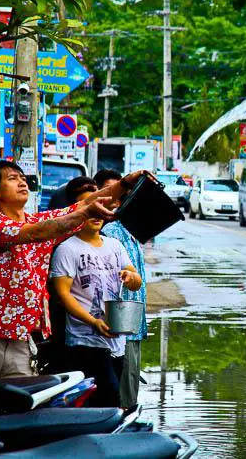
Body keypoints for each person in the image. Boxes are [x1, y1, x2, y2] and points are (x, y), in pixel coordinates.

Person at [0, 160, 143, 388]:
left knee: (19, 412)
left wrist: (127, 183)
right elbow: (37, 232)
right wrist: (83, 212)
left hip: (21, 336)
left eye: (22, 177)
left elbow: (87, 203)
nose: (22, 182)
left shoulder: (38, 220)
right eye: (12, 178)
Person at [49, 177, 142, 407]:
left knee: (109, 399)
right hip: (85, 341)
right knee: (107, 397)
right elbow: (62, 295)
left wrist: (131, 278)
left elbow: (135, 279)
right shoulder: (67, 249)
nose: (95, 214)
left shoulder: (114, 246)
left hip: (116, 339)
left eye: (99, 208)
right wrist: (93, 322)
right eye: (88, 208)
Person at [94, 169, 148, 409]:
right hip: (115, 325)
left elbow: (136, 280)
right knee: (121, 398)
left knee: (129, 389)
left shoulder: (129, 228)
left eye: (122, 194)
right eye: (111, 194)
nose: (117, 200)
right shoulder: (107, 231)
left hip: (132, 322)